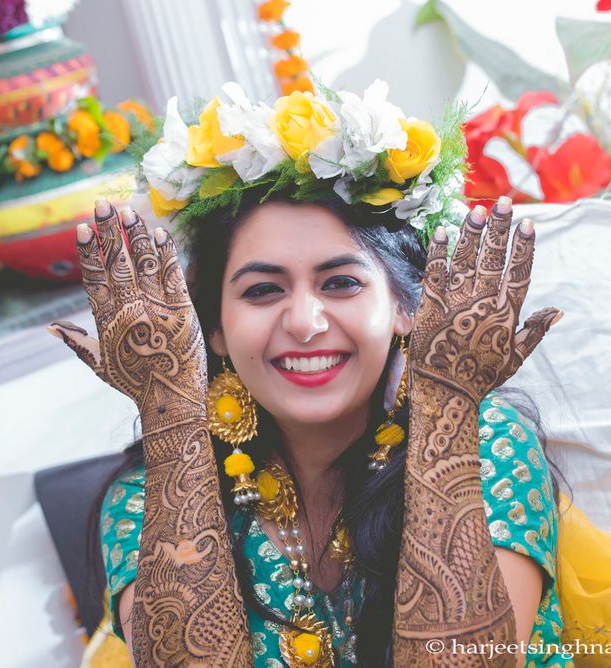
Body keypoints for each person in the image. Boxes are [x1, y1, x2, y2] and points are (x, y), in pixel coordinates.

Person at [50, 82, 567, 667]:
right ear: (210, 328)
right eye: (263, 290)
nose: (304, 322)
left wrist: (446, 403)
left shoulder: (482, 444)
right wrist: (169, 407)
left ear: (407, 307)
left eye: (341, 282)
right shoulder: (148, 495)